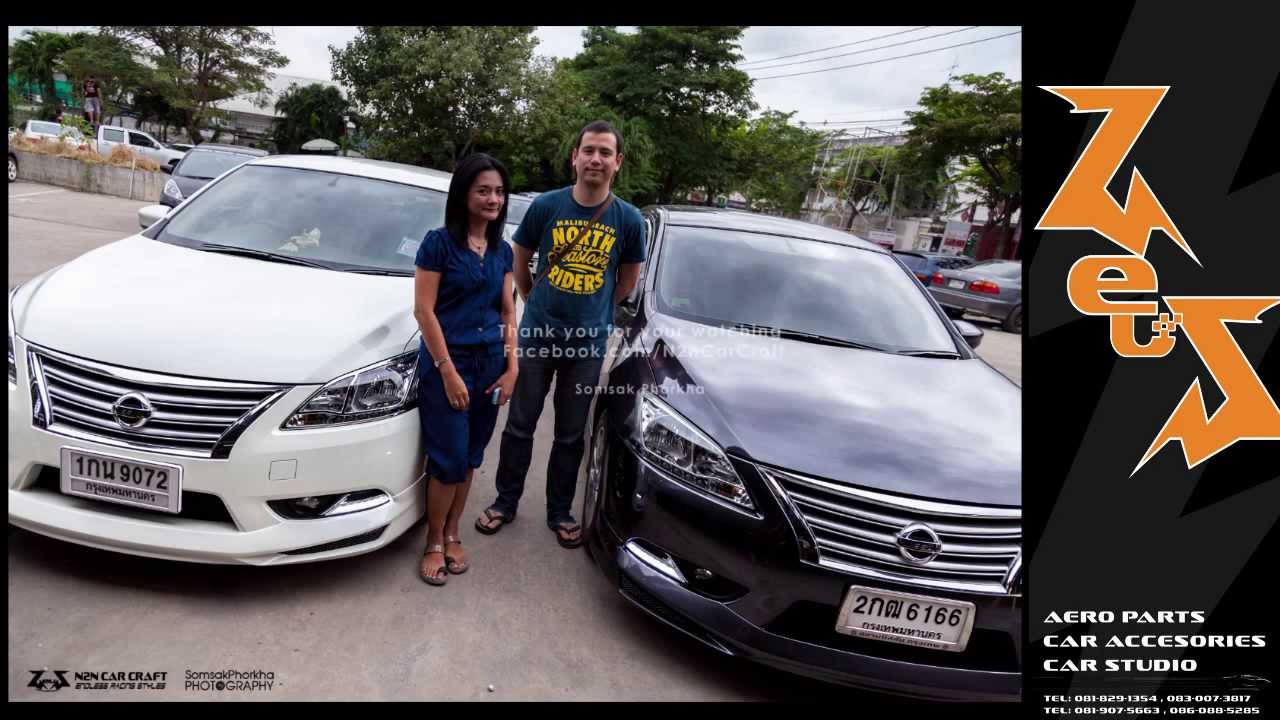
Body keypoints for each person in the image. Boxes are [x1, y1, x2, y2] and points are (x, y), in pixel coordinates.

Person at [475, 120, 645, 548]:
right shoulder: (547, 206)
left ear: (617, 163)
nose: (596, 159)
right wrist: (533, 299)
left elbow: (627, 280)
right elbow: (520, 258)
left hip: (588, 345)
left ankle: (559, 510)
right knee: (519, 425)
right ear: (575, 157)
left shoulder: (629, 220)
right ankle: (505, 502)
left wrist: (598, 310)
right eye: (589, 150)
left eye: (605, 153)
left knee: (571, 434)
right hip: (537, 337)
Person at [413, 153, 518, 586]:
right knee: (449, 458)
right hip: (447, 365)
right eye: (483, 190)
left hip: (491, 365)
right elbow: (423, 311)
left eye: (498, 191)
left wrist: (513, 366)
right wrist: (448, 370)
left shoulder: (502, 250)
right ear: (464, 195)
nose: (493, 198)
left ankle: (455, 530)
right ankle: (434, 539)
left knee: (472, 453)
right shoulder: (438, 244)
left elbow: (509, 310)